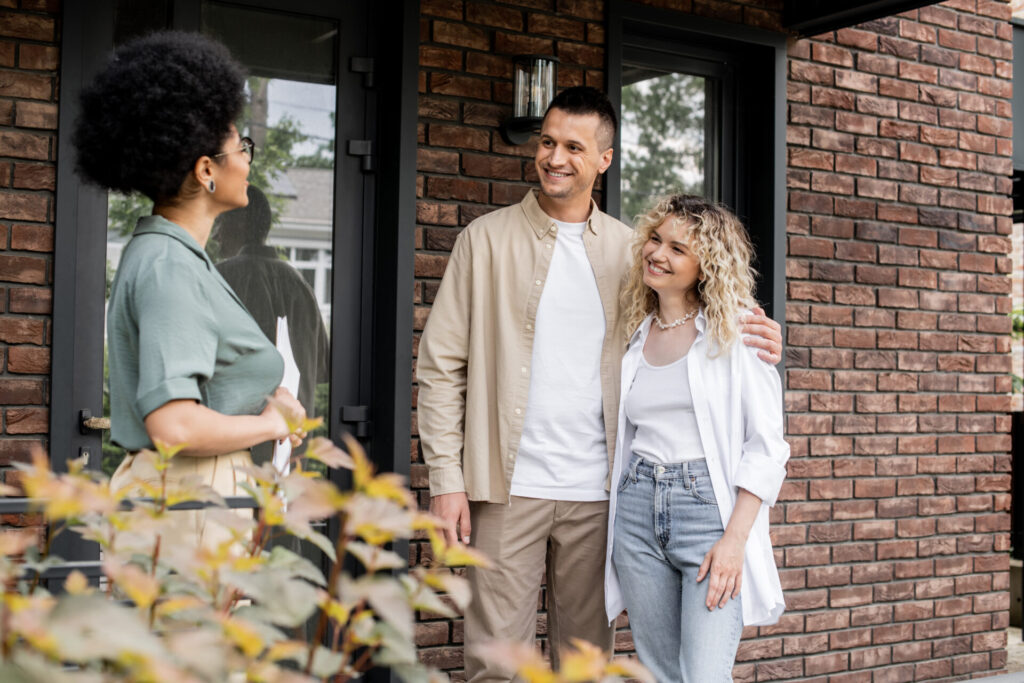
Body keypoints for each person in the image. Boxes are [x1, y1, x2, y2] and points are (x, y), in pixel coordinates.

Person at [416, 86, 783, 681]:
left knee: (585, 666)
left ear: (603, 160)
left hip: (603, 494)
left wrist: (765, 339)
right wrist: (446, 480)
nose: (554, 158)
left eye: (573, 147)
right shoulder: (483, 241)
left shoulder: (630, 252)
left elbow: (698, 313)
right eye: (547, 142)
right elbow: (439, 368)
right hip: (506, 488)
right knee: (495, 662)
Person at [72, 31, 306, 546]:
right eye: (241, 147)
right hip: (193, 495)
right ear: (206, 171)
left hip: (199, 495)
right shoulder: (168, 267)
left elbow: (207, 387)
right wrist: (272, 423)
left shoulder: (179, 259)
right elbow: (175, 427)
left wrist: (264, 395)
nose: (249, 160)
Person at [604, 195, 789, 682]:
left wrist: (734, 540)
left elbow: (767, 446)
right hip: (637, 511)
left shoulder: (738, 330)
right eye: (655, 239)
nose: (657, 253)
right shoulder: (636, 333)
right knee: (661, 672)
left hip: (706, 513)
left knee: (704, 675)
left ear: (706, 265)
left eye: (678, 249)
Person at [214, 185, 330, 425]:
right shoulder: (300, 285)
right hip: (294, 438)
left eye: (220, 223)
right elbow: (320, 370)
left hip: (241, 440)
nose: (215, 235)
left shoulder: (220, 278)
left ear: (240, 223)